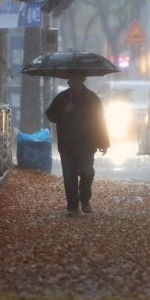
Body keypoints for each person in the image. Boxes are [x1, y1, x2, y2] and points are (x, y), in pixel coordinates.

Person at [45, 74, 109, 216]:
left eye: (73, 80)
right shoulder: (62, 98)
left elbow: (100, 121)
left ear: (81, 80)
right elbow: (50, 115)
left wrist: (103, 142)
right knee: (69, 176)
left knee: (87, 172)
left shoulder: (92, 98)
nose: (70, 82)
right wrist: (64, 111)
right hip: (67, 144)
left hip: (87, 144)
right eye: (69, 80)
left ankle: (85, 199)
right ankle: (73, 207)